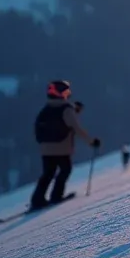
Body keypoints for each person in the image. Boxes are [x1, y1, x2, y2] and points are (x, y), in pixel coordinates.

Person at [31, 80, 100, 210]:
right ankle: (56, 196)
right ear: (61, 93)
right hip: (61, 148)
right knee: (65, 170)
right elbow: (76, 127)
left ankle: (37, 199)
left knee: (48, 173)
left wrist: (74, 109)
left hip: (45, 149)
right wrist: (91, 142)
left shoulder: (46, 109)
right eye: (66, 91)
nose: (68, 94)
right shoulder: (67, 110)